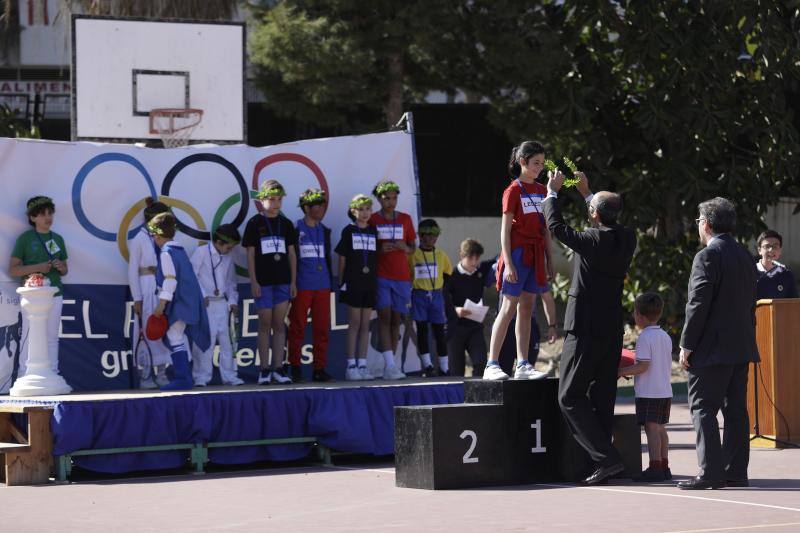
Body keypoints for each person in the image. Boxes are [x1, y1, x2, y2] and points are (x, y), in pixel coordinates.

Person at [543, 170, 637, 485]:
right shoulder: (627, 237)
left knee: (569, 396)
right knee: (601, 396)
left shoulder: (592, 239)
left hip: (583, 327)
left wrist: (552, 193)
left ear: (594, 214)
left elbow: (556, 227)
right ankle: (600, 460)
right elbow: (602, 216)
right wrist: (587, 194)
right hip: (610, 328)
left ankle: (607, 459)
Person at [677, 197, 760, 490]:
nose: (699, 226)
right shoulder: (745, 255)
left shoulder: (707, 256)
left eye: (699, 221)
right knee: (736, 410)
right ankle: (735, 470)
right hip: (741, 345)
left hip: (712, 347)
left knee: (702, 408)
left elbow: (697, 304)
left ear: (707, 224)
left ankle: (711, 472)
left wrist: (687, 343)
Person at [484, 141, 555, 381]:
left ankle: (522, 364)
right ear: (522, 162)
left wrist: (549, 260)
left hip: (536, 256)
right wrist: (510, 264)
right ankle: (491, 363)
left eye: (542, 164)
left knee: (527, 309)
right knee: (508, 308)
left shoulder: (542, 191)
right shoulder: (512, 190)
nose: (539, 168)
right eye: (536, 163)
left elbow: (546, 230)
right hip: (516, 254)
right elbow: (504, 231)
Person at [242, 180, 297, 385]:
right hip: (263, 282)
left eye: (279, 199)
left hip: (283, 281)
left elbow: (292, 254)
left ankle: (279, 368)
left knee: (279, 324)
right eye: (272, 199)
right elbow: (250, 254)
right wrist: (253, 280)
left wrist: (293, 281)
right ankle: (264, 369)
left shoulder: (286, 223)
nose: (276, 203)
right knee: (265, 324)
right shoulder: (255, 223)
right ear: (262, 200)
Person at [149, 212, 211, 391]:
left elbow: (170, 280)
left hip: (181, 303)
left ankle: (183, 378)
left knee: (174, 336)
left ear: (157, 235)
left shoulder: (166, 253)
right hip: (189, 302)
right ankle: (183, 377)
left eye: (153, 235)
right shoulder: (180, 250)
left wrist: (161, 305)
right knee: (176, 337)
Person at [9, 196, 69, 377]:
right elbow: (13, 270)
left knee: (52, 337)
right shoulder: (24, 239)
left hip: (55, 293)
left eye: (50, 213)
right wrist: (38, 268)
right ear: (33, 218)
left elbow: (65, 270)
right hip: (32, 295)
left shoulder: (57, 238)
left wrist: (60, 267)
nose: (48, 217)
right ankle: (24, 375)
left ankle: (53, 374)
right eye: (42, 214)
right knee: (29, 334)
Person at [619, 292, 673, 482]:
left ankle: (654, 466)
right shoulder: (665, 336)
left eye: (634, 312)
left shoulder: (644, 338)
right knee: (661, 429)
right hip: (665, 390)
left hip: (648, 392)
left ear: (640, 316)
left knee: (651, 429)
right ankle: (664, 466)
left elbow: (643, 366)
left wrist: (620, 371)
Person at [369, 179, 416, 380]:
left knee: (397, 319)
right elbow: (366, 248)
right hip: (382, 276)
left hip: (402, 277)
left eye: (394, 198)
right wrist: (380, 250)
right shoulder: (372, 219)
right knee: (384, 316)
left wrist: (405, 248)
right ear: (379, 199)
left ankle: (393, 365)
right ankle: (389, 364)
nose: (391, 201)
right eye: (387, 198)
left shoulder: (405, 219)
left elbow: (413, 247)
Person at [288, 188, 334, 383]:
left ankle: (319, 368)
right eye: (317, 205)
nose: (322, 208)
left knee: (322, 328)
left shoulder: (325, 230)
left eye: (323, 204)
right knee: (297, 327)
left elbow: (328, 258)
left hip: (323, 285)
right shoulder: (295, 229)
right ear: (306, 207)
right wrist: (293, 282)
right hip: (303, 285)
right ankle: (295, 367)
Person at [190, 224, 244, 387]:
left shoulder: (228, 258)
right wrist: (202, 294)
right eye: (229, 246)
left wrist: (233, 301)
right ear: (219, 242)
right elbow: (192, 276)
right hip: (206, 305)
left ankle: (229, 376)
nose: (230, 250)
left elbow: (230, 282)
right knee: (206, 341)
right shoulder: (201, 252)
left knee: (227, 342)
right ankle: (201, 377)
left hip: (222, 303)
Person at [127, 198, 172, 389]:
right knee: (147, 329)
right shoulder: (138, 239)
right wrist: (137, 298)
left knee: (163, 328)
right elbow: (132, 270)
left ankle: (162, 373)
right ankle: (145, 375)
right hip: (146, 286)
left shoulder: (165, 237)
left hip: (163, 285)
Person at [336, 194, 379, 381]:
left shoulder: (373, 231)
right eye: (361, 209)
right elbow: (342, 258)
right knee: (354, 324)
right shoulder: (348, 231)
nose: (365, 213)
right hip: (353, 282)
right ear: (353, 211)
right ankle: (350, 365)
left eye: (368, 209)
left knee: (365, 324)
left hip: (369, 282)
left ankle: (362, 364)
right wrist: (342, 281)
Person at [409, 219, 453, 377]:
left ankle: (444, 367)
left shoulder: (441, 255)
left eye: (433, 235)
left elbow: (448, 273)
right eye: (426, 235)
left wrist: (443, 291)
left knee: (439, 332)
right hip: (418, 295)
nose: (429, 238)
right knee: (422, 331)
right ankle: (427, 365)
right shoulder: (413, 254)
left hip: (436, 295)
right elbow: (407, 274)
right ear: (420, 236)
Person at [445, 239, 494, 377]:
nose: (474, 262)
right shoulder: (451, 275)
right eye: (470, 257)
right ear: (462, 255)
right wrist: (455, 310)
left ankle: (476, 394)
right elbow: (442, 302)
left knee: (481, 363)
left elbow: (499, 258)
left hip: (475, 328)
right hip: (455, 329)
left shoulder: (481, 270)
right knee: (456, 370)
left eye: (477, 258)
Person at [755, 229, 798, 299]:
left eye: (775, 247)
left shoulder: (787, 275)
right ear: (759, 250)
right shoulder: (750, 272)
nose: (771, 250)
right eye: (767, 246)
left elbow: (793, 303)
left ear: (780, 251)